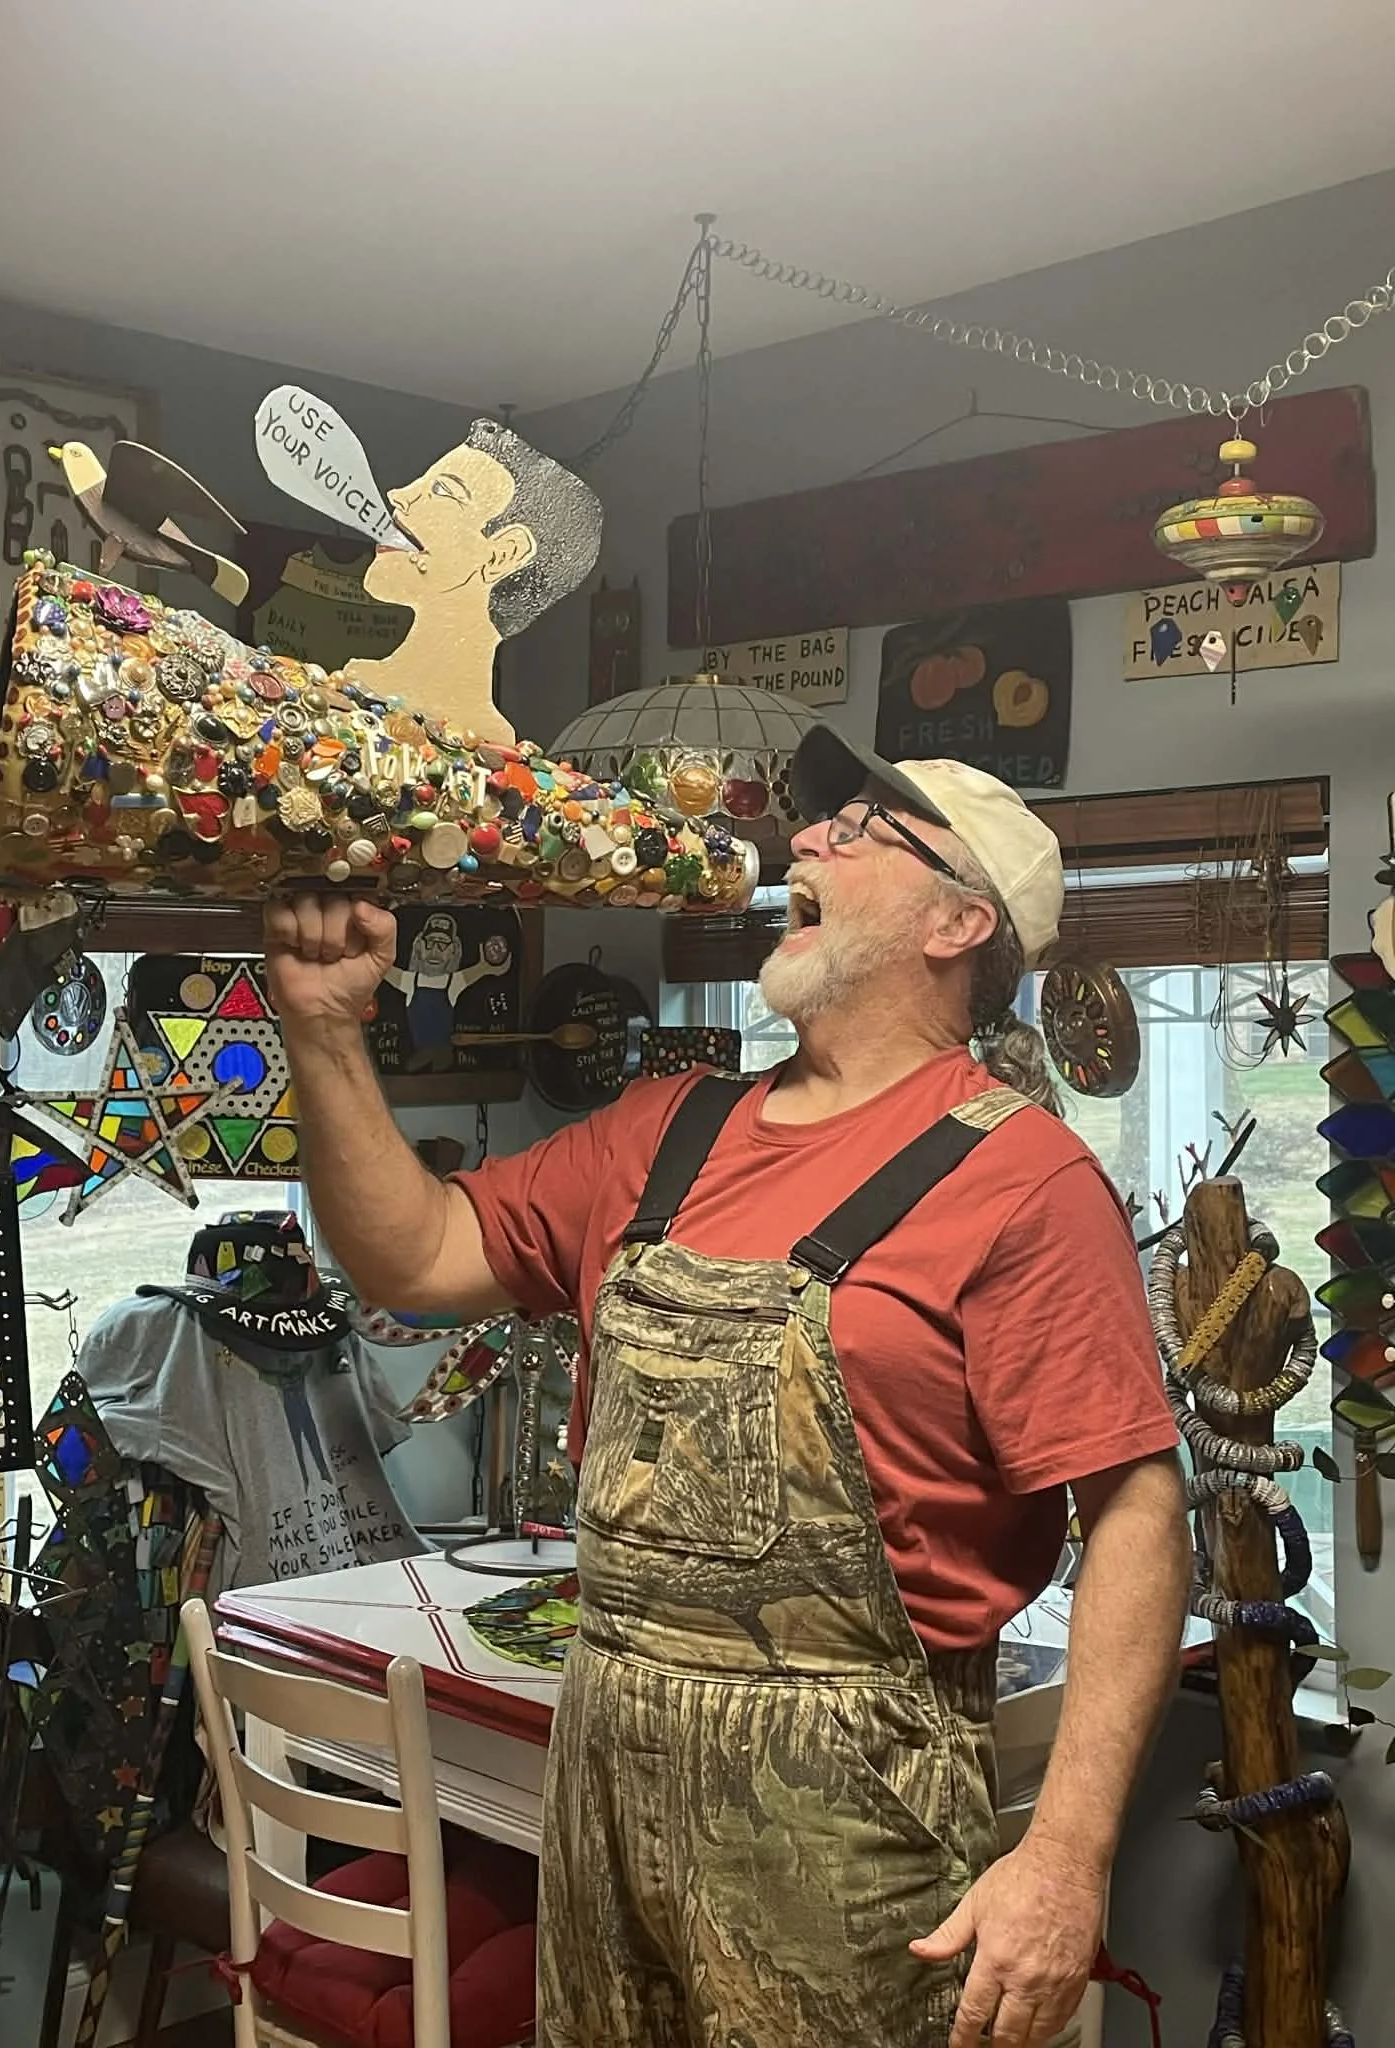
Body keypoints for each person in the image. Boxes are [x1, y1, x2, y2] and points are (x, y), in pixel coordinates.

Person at [264, 721, 1192, 2048]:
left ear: (958, 922)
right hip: (602, 1762)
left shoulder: (1024, 1184)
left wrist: (1067, 1856)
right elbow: (415, 1252)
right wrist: (323, 1030)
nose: (805, 837)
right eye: (820, 822)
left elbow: (1141, 1516)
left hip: (852, 1800)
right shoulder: (664, 1128)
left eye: (859, 830)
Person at [347, 417, 603, 746]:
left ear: (503, 554)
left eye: (442, 490)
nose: (399, 495)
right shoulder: (346, 688)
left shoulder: (492, 748)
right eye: (422, 482)